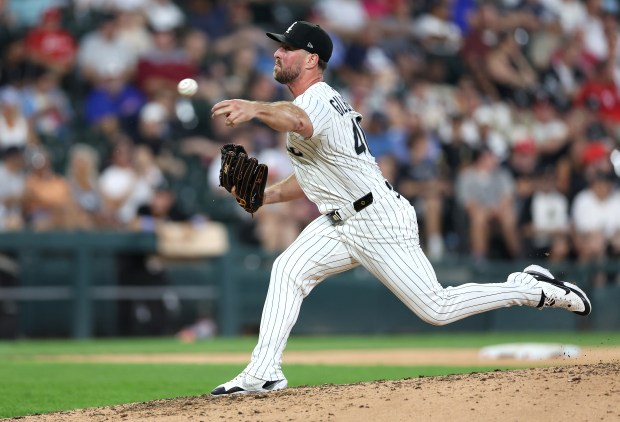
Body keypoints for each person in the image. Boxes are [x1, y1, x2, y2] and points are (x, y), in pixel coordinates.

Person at [209, 21, 592, 396]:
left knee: (437, 308)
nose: (276, 52)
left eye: (286, 48)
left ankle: (528, 288)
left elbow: (296, 119)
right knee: (288, 269)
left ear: (311, 60)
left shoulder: (318, 100)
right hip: (340, 221)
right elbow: (309, 176)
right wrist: (266, 195)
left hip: (376, 220)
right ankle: (263, 372)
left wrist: (255, 107)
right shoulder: (307, 107)